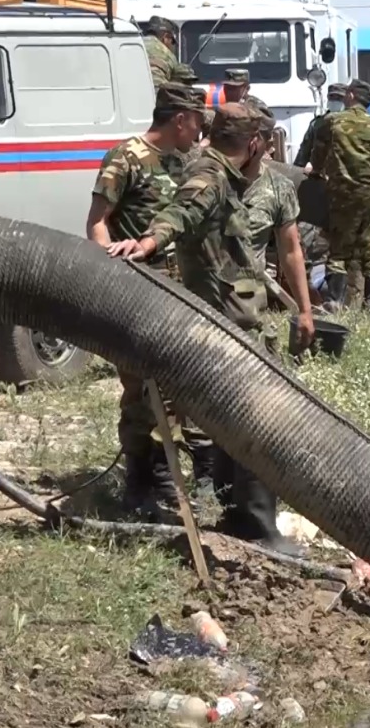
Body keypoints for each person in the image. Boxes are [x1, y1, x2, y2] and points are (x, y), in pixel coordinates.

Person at [107, 103, 299, 556]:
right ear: (254, 144)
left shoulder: (218, 174)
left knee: (231, 421)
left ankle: (238, 515)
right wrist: (151, 240)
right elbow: (181, 211)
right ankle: (257, 527)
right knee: (256, 419)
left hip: (232, 319)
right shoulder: (210, 178)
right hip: (226, 322)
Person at [84, 82, 207, 522]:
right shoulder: (127, 157)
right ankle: (142, 485)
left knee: (176, 391)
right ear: (179, 119)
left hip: (180, 294)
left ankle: (170, 480)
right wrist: (111, 270)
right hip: (138, 293)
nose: (200, 128)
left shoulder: (189, 162)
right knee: (141, 391)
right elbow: (98, 222)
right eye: (196, 120)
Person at [310, 79, 370, 313]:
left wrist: (316, 171)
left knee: (338, 249)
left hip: (341, 195)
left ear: (350, 95)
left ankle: (335, 300)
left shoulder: (332, 122)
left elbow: (318, 152)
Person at [244, 103, 315, 347]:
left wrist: (304, 311)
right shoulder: (204, 178)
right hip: (196, 308)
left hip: (248, 313)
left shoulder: (278, 188)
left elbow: (291, 250)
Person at [292, 82, 349, 170]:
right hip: (322, 173)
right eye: (332, 97)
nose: (335, 101)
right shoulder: (317, 123)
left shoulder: (354, 123)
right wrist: (298, 168)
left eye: (339, 98)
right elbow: (305, 149)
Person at [143, 16, 181, 90]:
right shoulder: (168, 55)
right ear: (165, 37)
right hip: (158, 95)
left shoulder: (134, 46)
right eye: (171, 41)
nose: (171, 45)